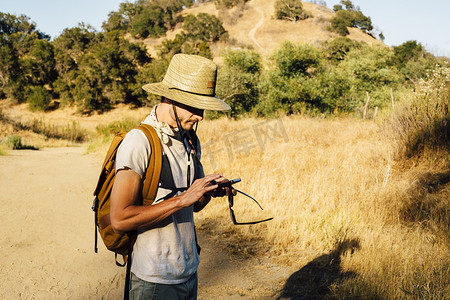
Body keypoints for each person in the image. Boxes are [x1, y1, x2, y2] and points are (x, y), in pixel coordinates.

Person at [110, 53, 233, 299]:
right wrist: (183, 198)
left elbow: (194, 206)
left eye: (203, 108)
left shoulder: (189, 139)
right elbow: (120, 219)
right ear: (171, 99)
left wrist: (208, 192)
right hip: (154, 279)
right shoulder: (139, 141)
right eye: (195, 106)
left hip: (189, 271)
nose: (201, 116)